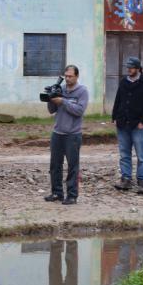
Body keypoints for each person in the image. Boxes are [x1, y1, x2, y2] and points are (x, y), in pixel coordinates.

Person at [111, 56, 143, 194]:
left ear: (138, 68)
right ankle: (126, 179)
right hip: (122, 123)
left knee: (141, 155)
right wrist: (114, 116)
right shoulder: (123, 82)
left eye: (131, 67)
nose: (129, 70)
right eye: (128, 67)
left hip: (137, 125)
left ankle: (142, 180)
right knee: (124, 154)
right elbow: (118, 99)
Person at [45, 64, 88, 205]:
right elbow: (52, 110)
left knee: (72, 166)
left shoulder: (82, 91)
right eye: (66, 76)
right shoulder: (60, 89)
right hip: (57, 133)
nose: (68, 79)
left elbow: (79, 111)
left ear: (77, 76)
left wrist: (63, 101)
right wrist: (51, 98)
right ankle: (57, 193)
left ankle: (72, 195)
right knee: (55, 165)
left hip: (73, 135)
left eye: (70, 76)